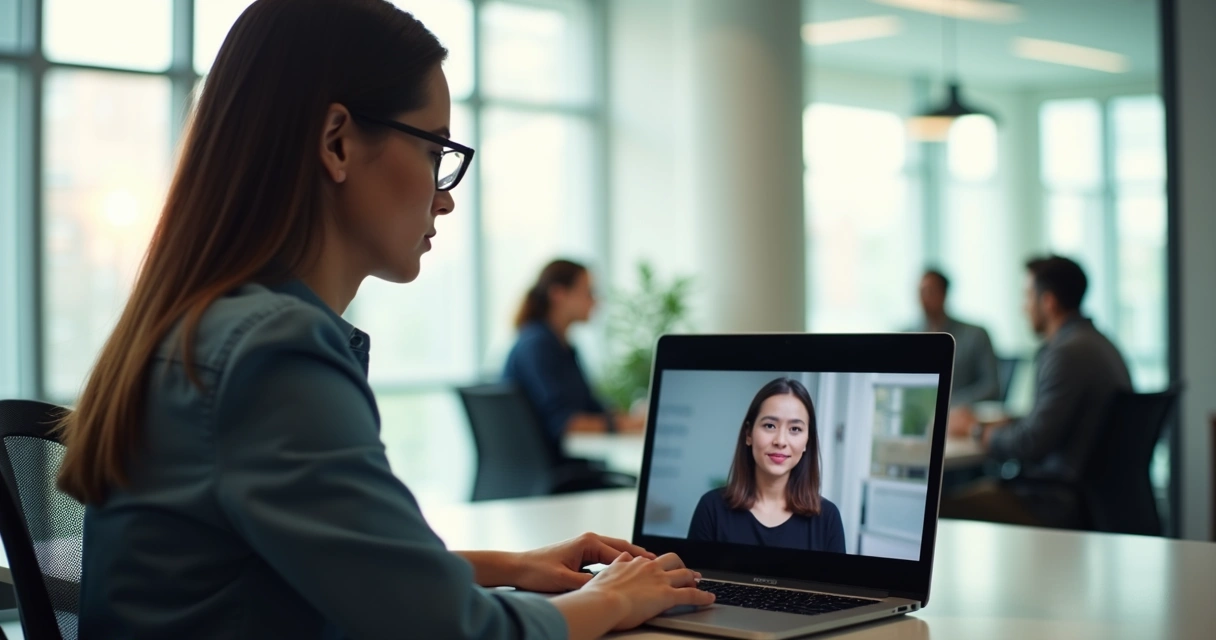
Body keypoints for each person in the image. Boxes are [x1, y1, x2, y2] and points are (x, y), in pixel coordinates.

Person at [55, 2, 711, 638]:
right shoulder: (272, 351)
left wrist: (514, 566)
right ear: (337, 142)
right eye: (436, 152)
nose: (446, 197)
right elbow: (453, 631)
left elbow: (300, 573)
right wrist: (614, 601)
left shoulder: (202, 329)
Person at [942, 256, 1132, 528]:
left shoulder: (1066, 354)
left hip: (1050, 503)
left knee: (936, 508)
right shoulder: (1097, 343)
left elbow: (1030, 444)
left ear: (1048, 302)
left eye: (1027, 296)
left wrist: (974, 430)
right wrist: (998, 423)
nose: (1024, 307)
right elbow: (1053, 424)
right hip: (1089, 495)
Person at [688, 378, 846, 553]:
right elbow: (694, 579)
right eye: (770, 425)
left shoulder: (828, 518)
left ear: (807, 441)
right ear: (749, 433)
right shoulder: (711, 508)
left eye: (795, 429)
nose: (780, 441)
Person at [504, 259, 645, 446]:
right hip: (556, 470)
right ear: (558, 294)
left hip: (564, 467)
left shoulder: (563, 347)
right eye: (589, 292)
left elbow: (590, 407)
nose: (596, 301)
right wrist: (623, 424)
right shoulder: (536, 346)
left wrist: (630, 420)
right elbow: (564, 423)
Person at [913, 269, 1001, 408]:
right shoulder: (908, 337)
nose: (923, 299)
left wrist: (948, 403)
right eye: (920, 292)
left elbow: (991, 387)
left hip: (961, 416)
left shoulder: (975, 335)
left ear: (944, 294)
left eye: (930, 291)